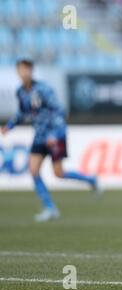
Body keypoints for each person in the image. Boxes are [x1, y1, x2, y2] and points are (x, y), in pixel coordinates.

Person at [1, 59, 101, 222]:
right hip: (40, 136)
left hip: (55, 135)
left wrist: (54, 134)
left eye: (25, 70)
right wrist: (10, 126)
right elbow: (22, 113)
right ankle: (50, 208)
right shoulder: (20, 92)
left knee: (59, 173)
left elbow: (59, 110)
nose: (22, 73)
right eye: (19, 70)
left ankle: (91, 179)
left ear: (31, 71)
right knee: (33, 170)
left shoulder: (43, 89)